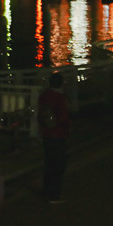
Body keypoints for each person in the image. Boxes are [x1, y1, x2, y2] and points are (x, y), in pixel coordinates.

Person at [38, 71, 71, 203]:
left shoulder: (44, 96)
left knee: (49, 164)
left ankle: (46, 191)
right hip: (59, 134)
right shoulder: (60, 98)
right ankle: (54, 195)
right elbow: (63, 118)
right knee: (58, 166)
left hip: (46, 133)